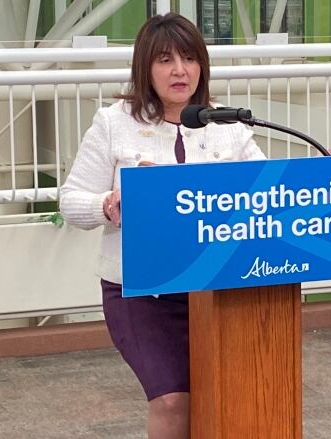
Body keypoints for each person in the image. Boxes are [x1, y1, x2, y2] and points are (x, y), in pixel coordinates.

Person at [59, 12, 265, 439]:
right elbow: (71, 202)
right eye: (166, 60)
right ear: (144, 68)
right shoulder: (114, 122)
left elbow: (268, 196)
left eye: (190, 59)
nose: (180, 71)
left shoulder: (227, 125)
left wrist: (328, 174)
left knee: (229, 396)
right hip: (140, 291)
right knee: (172, 400)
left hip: (216, 289)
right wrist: (108, 205)